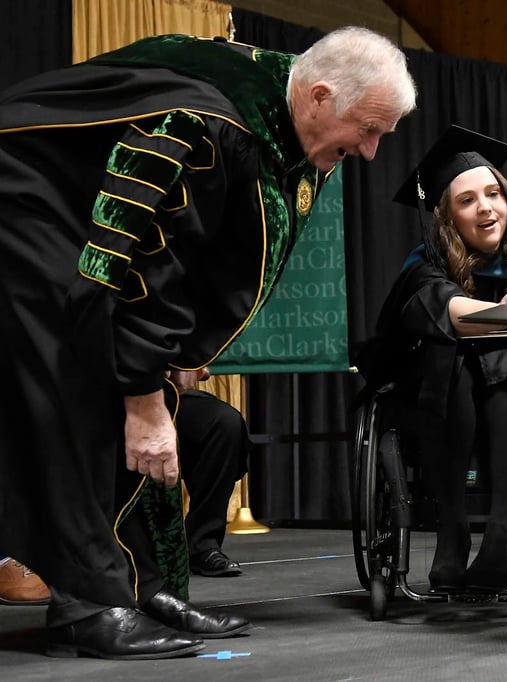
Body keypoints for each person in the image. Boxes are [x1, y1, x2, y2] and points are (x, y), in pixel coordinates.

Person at [0, 28, 417, 660]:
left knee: (134, 389)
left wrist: (168, 366)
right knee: (80, 386)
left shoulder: (279, 101)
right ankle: (87, 603)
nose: (371, 151)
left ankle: (142, 586)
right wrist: (142, 397)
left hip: (71, 224)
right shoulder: (207, 127)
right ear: (320, 96)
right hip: (24, 208)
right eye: (366, 129)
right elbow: (141, 263)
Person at [363, 125, 507, 592]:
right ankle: (453, 530)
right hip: (445, 405)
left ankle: (504, 529)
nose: (485, 207)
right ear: (447, 215)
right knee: (452, 361)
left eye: (493, 194)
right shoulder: (427, 263)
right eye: (467, 200)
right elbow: (447, 311)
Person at [169, 368, 250, 578]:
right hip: (114, 394)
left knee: (224, 422)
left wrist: (188, 367)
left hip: (168, 395)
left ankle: (202, 544)